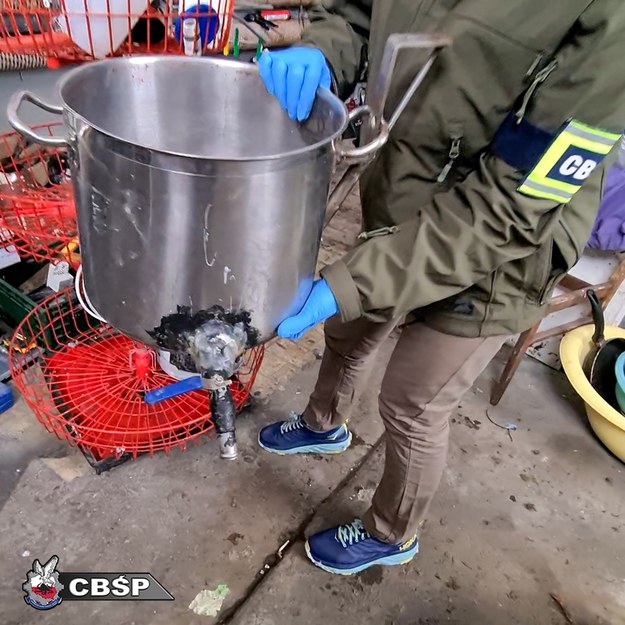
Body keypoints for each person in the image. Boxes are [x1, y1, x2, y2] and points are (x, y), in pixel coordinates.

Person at [257, 1, 625, 576]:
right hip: (399, 200)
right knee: (349, 331)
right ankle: (322, 424)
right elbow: (357, 12)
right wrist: (325, 50)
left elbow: (511, 208)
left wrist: (354, 279)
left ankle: (391, 531)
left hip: (503, 251)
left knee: (412, 403)